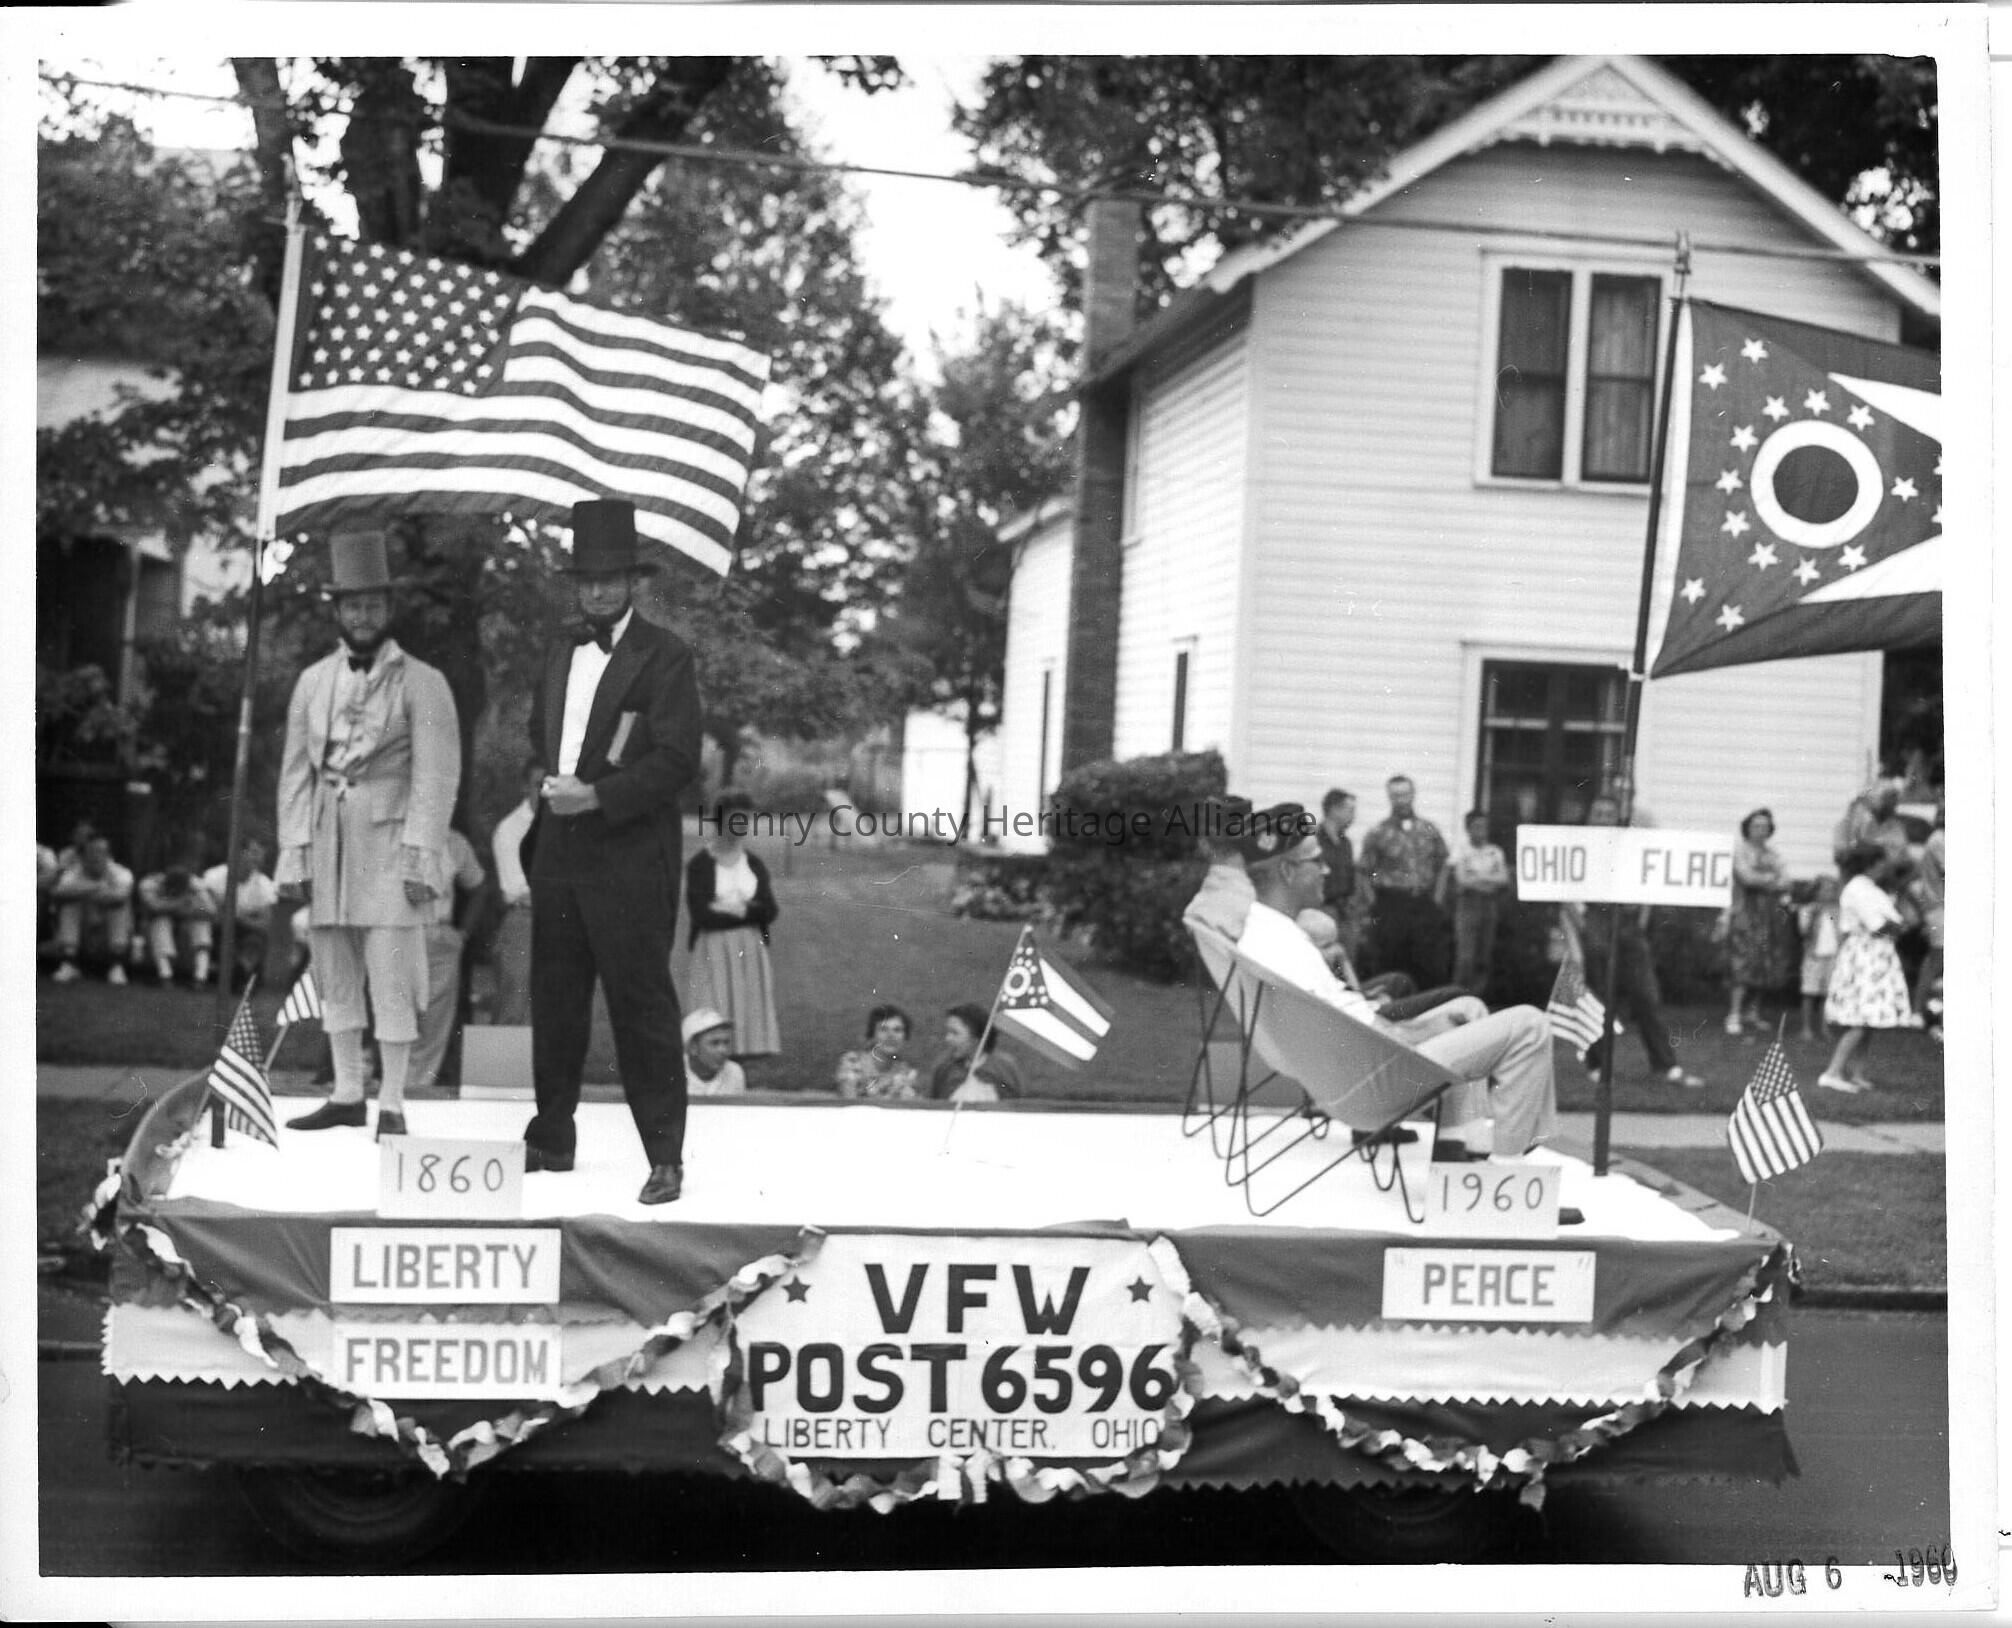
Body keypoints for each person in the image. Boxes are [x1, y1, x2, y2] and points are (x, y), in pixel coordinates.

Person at [523, 499, 703, 1205]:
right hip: (558, 854)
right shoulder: (559, 649)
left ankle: (665, 1158)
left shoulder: (666, 655)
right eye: (587, 579)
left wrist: (596, 797)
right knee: (555, 1001)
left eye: (610, 579)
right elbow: (543, 735)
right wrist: (548, 787)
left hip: (629, 860)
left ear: (633, 582)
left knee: (641, 1008)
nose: (597, 591)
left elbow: (677, 760)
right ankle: (552, 1137)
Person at [1232, 806, 1555, 1161]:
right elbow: (1354, 1029)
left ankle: (1459, 1141)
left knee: (1468, 1008)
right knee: (1531, 1024)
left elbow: (1339, 1023)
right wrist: (1421, 1031)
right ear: (1287, 871)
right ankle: (1505, 1170)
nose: (1326, 870)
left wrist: (1416, 1025)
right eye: (1316, 861)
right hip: (1372, 1084)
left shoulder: (1266, 933)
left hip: (1350, 1074)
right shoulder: (1283, 947)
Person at [275, 523, 460, 1142]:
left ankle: (394, 1100)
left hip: (389, 844)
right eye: (352, 605)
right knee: (334, 967)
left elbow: (436, 776)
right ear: (337, 610)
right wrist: (294, 851)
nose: (362, 616)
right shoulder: (313, 681)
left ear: (389, 608)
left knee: (392, 970)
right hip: (329, 841)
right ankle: (347, 1092)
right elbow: (295, 773)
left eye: (373, 605)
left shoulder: (423, 681)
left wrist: (421, 855)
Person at [1569, 792, 1705, 1090]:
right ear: (1589, 819)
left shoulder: (1629, 848)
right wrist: (1581, 925)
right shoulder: (1578, 848)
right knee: (1599, 998)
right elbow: (1563, 891)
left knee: (1647, 995)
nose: (1603, 820)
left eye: (1609, 814)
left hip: (1628, 922)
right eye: (1598, 814)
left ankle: (1666, 1066)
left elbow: (1648, 883)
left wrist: (1641, 918)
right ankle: (1597, 1066)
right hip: (1597, 919)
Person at [685, 789, 782, 1058]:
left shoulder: (753, 863)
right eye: (735, 819)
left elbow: (770, 910)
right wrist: (747, 910)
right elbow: (701, 914)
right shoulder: (701, 864)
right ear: (720, 821)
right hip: (713, 946)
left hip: (749, 946)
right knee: (714, 1000)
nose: (741, 826)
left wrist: (732, 910)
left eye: (745, 820)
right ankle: (711, 1053)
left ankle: (745, 1050)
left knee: (746, 1000)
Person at [1820, 842, 1916, 1094]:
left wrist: (1898, 925)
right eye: (1882, 862)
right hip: (1865, 955)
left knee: (1869, 1020)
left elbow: (1894, 921)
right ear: (1871, 863)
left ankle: (1857, 1073)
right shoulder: (1858, 888)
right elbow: (1878, 925)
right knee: (1860, 1019)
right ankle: (1832, 1072)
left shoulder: (1871, 888)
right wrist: (1899, 927)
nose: (1886, 866)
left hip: (1877, 954)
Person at [409, 826, 488, 1096]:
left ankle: (417, 1089)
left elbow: (479, 886)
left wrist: (462, 933)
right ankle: (392, 1085)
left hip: (439, 933)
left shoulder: (454, 841)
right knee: (397, 1012)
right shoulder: (393, 834)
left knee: (434, 1019)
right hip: (400, 932)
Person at [1359, 774, 1451, 986]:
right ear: (1389, 797)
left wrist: (1438, 897)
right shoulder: (1378, 832)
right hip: (1392, 905)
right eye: (1396, 796)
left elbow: (1443, 864)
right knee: (1391, 961)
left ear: (1413, 795)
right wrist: (1374, 903)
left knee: (1427, 962)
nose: (1401, 800)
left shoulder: (1429, 829)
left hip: (1423, 904)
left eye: (1405, 794)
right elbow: (1363, 871)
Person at [1724, 808, 1798, 1036]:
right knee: (1743, 960)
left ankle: (1753, 1012)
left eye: (1765, 826)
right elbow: (1746, 878)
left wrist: (1768, 880)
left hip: (1770, 915)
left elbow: (1787, 881)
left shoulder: (1773, 853)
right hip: (1746, 912)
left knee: (1765, 961)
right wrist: (1771, 879)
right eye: (1756, 826)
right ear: (1747, 828)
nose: (1761, 830)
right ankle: (1734, 1013)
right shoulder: (1740, 851)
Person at [488, 758, 542, 1026]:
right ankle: (503, 1055)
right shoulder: (510, 829)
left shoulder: (565, 823)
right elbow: (517, 888)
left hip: (559, 919)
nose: (545, 792)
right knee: (515, 999)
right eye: (538, 784)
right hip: (524, 920)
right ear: (525, 787)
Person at [50, 835, 136, 985]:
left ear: (109, 855)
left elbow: (120, 896)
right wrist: (96, 887)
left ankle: (116, 966)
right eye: (92, 852)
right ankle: (69, 963)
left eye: (101, 852)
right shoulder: (74, 872)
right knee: (70, 903)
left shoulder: (121, 872)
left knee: (119, 906)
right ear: (83, 856)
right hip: (81, 938)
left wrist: (82, 891)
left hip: (108, 938)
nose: (96, 857)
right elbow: (57, 892)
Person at [1441, 809, 1509, 996]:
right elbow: (1462, 880)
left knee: (1483, 956)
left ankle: (1477, 996)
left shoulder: (1494, 851)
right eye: (1477, 827)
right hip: (1468, 906)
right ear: (1468, 829)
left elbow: (1503, 879)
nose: (1481, 831)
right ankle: (1457, 995)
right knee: (1465, 957)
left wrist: (1477, 877)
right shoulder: (1461, 851)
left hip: (1489, 906)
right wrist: (1488, 880)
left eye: (1484, 827)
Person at [202, 837, 280, 990]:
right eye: (254, 852)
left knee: (256, 939)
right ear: (239, 853)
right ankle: (227, 975)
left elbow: (265, 923)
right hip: (217, 927)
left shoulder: (264, 884)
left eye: (261, 854)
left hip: (243, 928)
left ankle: (241, 972)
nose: (258, 858)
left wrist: (237, 917)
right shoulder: (214, 876)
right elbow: (208, 909)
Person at [137, 860, 217, 986]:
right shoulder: (150, 884)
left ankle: (200, 978)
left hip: (187, 921)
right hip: (160, 923)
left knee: (201, 924)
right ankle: (165, 976)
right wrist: (179, 903)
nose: (176, 891)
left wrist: (194, 908)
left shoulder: (196, 885)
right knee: (160, 922)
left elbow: (210, 910)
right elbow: (154, 907)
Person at [928, 1003, 1025, 1101]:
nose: (948, 1038)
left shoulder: (1004, 1068)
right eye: (948, 1032)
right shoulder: (945, 1069)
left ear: (976, 1037)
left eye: (955, 1033)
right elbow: (934, 1103)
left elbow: (1018, 1101)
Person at [1314, 789, 1368, 961]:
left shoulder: (1346, 843)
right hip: (1323, 909)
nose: (1353, 816)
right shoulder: (1314, 840)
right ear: (1334, 810)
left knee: (1346, 960)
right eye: (1350, 810)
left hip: (1345, 913)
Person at [835, 1005, 920, 1100]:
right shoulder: (853, 1062)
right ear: (872, 1035)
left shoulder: (906, 1072)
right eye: (883, 1029)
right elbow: (849, 1103)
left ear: (905, 1036)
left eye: (897, 1030)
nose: (891, 1035)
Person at [1910, 805, 1945, 1036]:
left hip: (1942, 906)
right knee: (1936, 958)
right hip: (1938, 906)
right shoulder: (1938, 839)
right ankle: (1918, 1011)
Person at [1796, 874, 1842, 1043]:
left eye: (1832, 889)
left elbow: (1840, 931)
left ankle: (1824, 1027)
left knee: (1826, 994)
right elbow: (1803, 932)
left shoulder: (1836, 910)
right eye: (1825, 889)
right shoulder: (1807, 909)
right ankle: (1806, 1028)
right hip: (1813, 956)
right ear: (1816, 892)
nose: (1829, 893)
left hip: (1832, 956)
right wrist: (1813, 916)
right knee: (1809, 992)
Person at [1832, 780, 1911, 877]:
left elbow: (1903, 858)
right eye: (1888, 799)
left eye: (1894, 800)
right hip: (1855, 879)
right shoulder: (1845, 827)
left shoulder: (1896, 826)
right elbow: (1840, 856)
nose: (1893, 806)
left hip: (1887, 879)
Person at [682, 1008, 748, 1097]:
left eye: (726, 1042)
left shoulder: (734, 1072)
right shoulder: (672, 1072)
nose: (723, 1050)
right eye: (715, 1043)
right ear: (693, 1047)